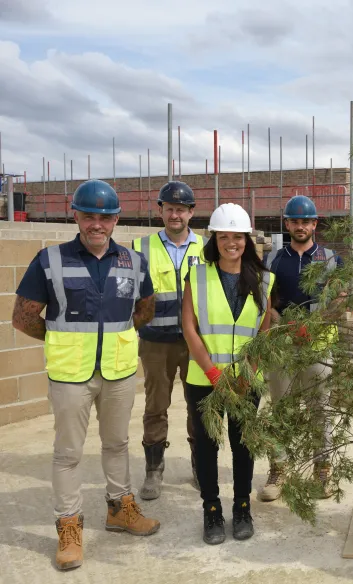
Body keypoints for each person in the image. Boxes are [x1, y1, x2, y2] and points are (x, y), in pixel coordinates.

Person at [12, 179, 161, 571]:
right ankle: (68, 526)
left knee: (116, 444)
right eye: (89, 215)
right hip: (70, 376)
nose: (97, 224)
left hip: (119, 372)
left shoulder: (133, 262)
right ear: (75, 215)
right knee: (68, 454)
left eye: (105, 217)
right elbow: (23, 317)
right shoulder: (51, 260)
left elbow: (145, 309)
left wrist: (120, 335)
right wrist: (61, 339)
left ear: (115, 220)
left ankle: (120, 509)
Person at [182, 203, 274, 545]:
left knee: (242, 445)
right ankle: (211, 511)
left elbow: (263, 332)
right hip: (204, 379)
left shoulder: (265, 279)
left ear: (247, 240)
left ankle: (242, 507)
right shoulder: (197, 274)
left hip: (245, 382)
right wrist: (213, 374)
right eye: (224, 236)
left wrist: (247, 375)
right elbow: (189, 327)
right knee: (206, 447)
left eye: (238, 237)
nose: (231, 243)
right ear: (214, 239)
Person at [258, 195, 343, 502]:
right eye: (295, 221)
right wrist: (283, 324)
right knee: (281, 410)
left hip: (318, 347)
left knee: (322, 410)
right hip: (282, 346)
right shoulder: (273, 260)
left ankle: (323, 471)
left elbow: (339, 298)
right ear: (287, 224)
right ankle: (278, 470)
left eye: (306, 221)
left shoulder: (331, 258)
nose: (300, 226)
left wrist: (315, 324)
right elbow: (265, 301)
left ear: (314, 224)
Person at [132, 181, 206, 498]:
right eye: (169, 208)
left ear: (191, 212)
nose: (175, 214)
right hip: (155, 342)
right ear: (160, 209)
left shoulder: (206, 248)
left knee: (199, 406)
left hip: (195, 343)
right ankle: (154, 470)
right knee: (155, 406)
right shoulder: (140, 247)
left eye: (181, 209)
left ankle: (201, 466)